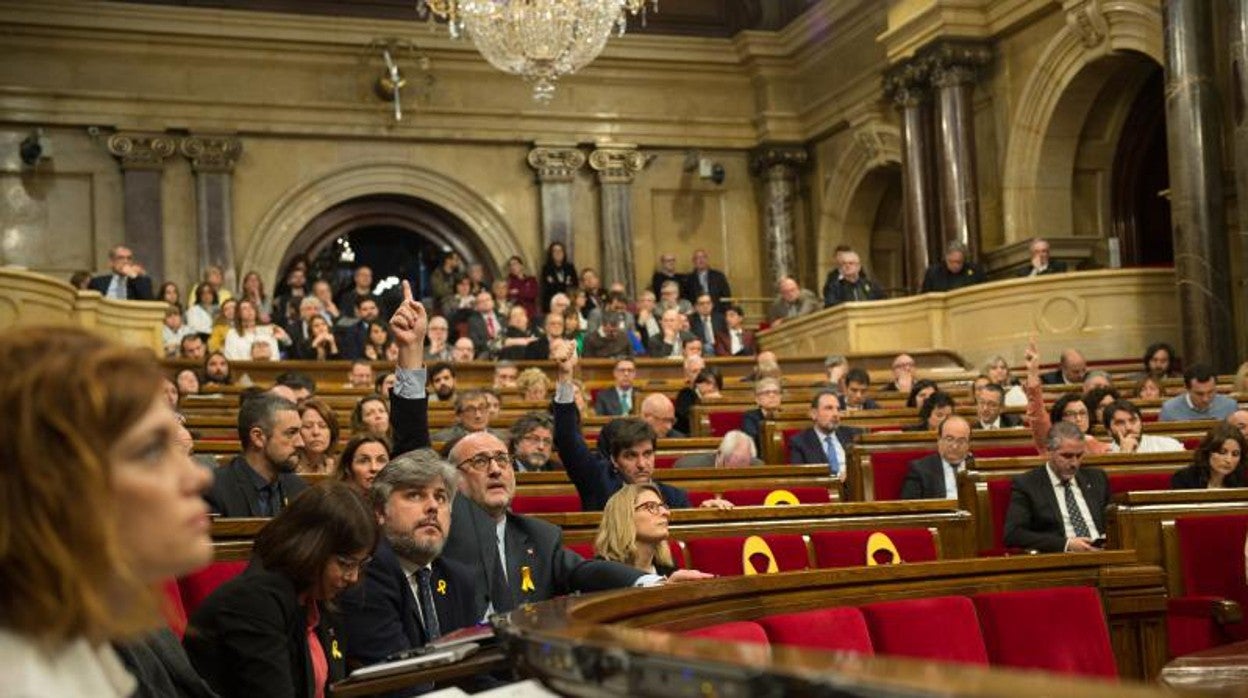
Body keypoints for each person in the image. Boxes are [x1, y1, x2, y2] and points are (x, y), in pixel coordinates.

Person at [384, 283, 663, 618]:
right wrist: (412, 351)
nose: (496, 469)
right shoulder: (441, 521)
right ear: (452, 480)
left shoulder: (540, 536)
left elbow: (585, 571)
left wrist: (650, 583)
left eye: (503, 459)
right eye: (481, 461)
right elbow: (412, 448)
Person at [0, 326, 214, 697]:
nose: (198, 477)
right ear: (52, 487)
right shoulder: (26, 681)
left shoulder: (105, 620)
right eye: (150, 451)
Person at [184, 483, 377, 698]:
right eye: (345, 563)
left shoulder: (319, 597)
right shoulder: (254, 602)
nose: (353, 577)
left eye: (360, 564)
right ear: (310, 547)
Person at [551, 340, 730, 512]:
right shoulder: (599, 484)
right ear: (614, 460)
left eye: (647, 454)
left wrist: (703, 513)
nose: (642, 464)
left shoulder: (674, 497)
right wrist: (565, 376)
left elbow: (685, 538)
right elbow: (568, 440)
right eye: (631, 456)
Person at [337, 451, 477, 668]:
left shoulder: (459, 578)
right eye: (415, 495)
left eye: (441, 497)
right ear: (379, 512)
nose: (433, 507)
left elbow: (473, 672)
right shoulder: (367, 572)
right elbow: (397, 680)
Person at [1003, 421, 1110, 553]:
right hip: (1060, 559)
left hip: (1104, 555)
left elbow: (1113, 522)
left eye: (1079, 455)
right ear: (1049, 451)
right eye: (1067, 456)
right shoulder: (1027, 484)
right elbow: (1014, 534)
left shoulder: (1097, 478)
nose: (1074, 463)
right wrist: (1066, 544)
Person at [206, 393, 307, 517]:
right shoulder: (214, 489)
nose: (301, 443)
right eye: (291, 433)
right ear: (258, 437)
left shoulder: (298, 489)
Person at [595, 484, 715, 581]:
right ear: (624, 517)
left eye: (663, 506)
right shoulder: (602, 571)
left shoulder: (667, 566)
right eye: (651, 507)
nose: (666, 513)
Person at [1023, 338, 1111, 456]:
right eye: (1070, 414)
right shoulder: (1051, 442)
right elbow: (1037, 416)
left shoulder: (1099, 446)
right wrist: (1033, 372)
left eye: (1082, 413)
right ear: (1059, 419)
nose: (1079, 419)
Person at [789, 389, 862, 477]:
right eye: (829, 408)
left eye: (838, 409)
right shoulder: (800, 442)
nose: (835, 414)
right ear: (813, 414)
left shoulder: (854, 435)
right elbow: (800, 478)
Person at [900, 416, 974, 500]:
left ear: (969, 444)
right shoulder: (920, 469)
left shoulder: (979, 467)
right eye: (949, 439)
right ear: (939, 440)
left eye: (961, 441)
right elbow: (910, 507)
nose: (955, 446)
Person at [1171, 423, 1247, 489]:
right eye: (1222, 452)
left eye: (1235, 454)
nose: (1228, 460)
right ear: (1208, 452)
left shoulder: (1242, 481)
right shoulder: (1185, 479)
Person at [1160, 364, 1239, 421]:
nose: (1206, 399)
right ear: (1187, 389)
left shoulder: (1230, 406)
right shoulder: (1169, 409)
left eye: (1210, 392)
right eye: (1199, 394)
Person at [1103, 400, 1183, 454]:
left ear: (1141, 423)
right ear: (1108, 431)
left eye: (1133, 420)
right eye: (1120, 423)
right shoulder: (1103, 454)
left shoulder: (1169, 445)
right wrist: (1124, 453)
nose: (1128, 427)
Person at [88, 244, 155, 300]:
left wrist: (133, 276)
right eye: (120, 258)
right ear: (111, 263)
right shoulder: (97, 282)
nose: (125, 262)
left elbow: (149, 303)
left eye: (129, 258)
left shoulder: (142, 282)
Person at [672, 430, 763, 469]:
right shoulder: (688, 467)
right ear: (720, 454)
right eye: (732, 461)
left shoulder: (757, 467)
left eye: (744, 462)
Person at [296, 397, 339, 474]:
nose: (316, 432)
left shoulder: (339, 468)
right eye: (308, 426)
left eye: (323, 426)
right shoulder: (287, 468)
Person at [742, 377, 782, 454]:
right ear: (757, 399)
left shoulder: (787, 416)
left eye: (776, 392)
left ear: (781, 397)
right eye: (767, 392)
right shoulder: (750, 417)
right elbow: (752, 442)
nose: (772, 395)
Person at [539, 242, 578, 313]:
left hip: (569, 304)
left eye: (560, 250)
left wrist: (556, 284)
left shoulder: (570, 268)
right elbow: (548, 289)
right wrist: (565, 284)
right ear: (551, 254)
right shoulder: (546, 269)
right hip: (552, 305)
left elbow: (574, 286)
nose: (558, 253)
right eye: (555, 251)